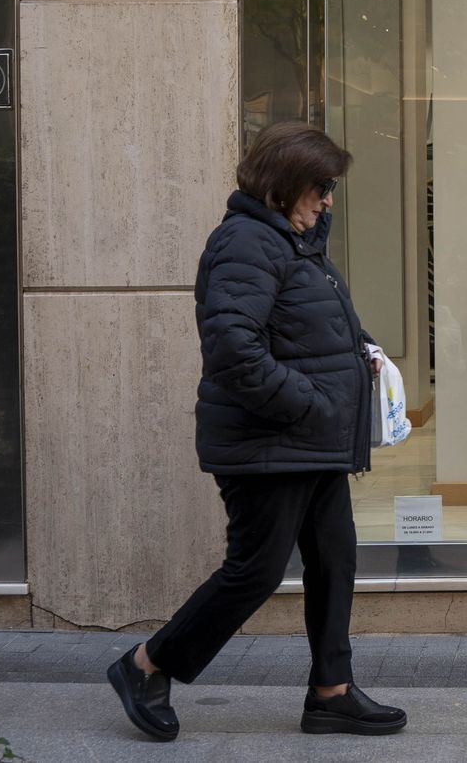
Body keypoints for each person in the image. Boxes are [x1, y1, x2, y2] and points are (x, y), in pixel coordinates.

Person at [107, 121, 407, 741]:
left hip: (309, 442)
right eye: (320, 187)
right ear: (284, 183)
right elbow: (234, 353)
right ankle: (147, 665)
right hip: (269, 444)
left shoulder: (295, 244)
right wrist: (314, 404)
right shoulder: (246, 243)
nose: (328, 200)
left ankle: (332, 692)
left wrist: (364, 352)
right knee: (255, 571)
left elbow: (308, 330)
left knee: (334, 561)